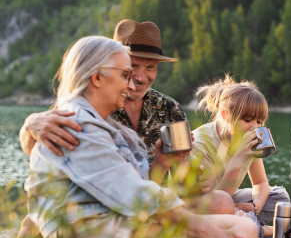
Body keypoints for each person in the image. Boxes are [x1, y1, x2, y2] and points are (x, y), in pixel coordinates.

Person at [23, 36, 272, 238]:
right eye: (126, 73)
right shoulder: (76, 123)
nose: (133, 82)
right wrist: (207, 231)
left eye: (143, 70)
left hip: (125, 232)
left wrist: (163, 163)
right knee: (242, 229)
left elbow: (135, 190)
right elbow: (134, 195)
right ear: (97, 77)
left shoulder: (142, 114)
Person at [19, 19, 186, 165]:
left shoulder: (171, 109)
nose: (141, 78)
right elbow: (38, 152)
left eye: (150, 67)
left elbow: (183, 170)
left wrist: (201, 183)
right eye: (132, 67)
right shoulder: (91, 106)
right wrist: (29, 127)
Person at [191, 75, 290, 238]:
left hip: (229, 200)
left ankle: (245, 221)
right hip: (202, 208)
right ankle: (262, 230)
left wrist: (254, 207)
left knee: (280, 199)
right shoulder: (200, 144)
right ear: (225, 115)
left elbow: (260, 182)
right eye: (247, 119)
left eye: (259, 121)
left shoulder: (248, 138)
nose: (255, 127)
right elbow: (215, 202)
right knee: (224, 209)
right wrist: (238, 158)